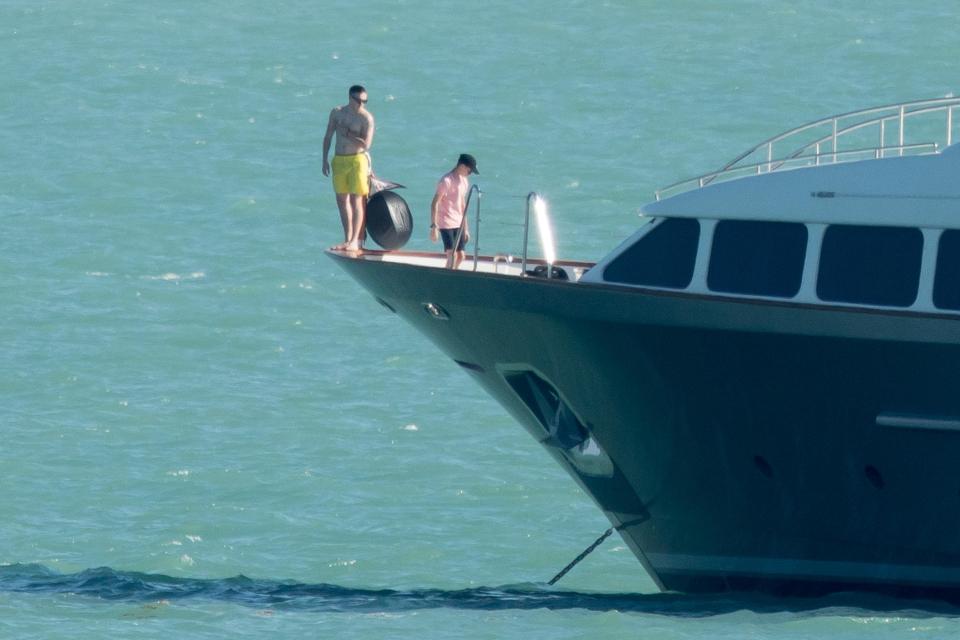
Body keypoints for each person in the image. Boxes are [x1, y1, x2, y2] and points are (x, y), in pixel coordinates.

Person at [322, 85, 375, 251]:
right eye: (358, 100)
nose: (361, 104)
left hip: (357, 160)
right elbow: (328, 135)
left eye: (364, 101)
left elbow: (366, 144)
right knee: (342, 200)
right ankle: (347, 239)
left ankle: (355, 241)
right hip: (339, 160)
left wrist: (348, 134)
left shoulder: (366, 118)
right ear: (350, 98)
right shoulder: (337, 112)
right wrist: (324, 158)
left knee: (356, 199)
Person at [430, 154, 479, 269]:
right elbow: (434, 203)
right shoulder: (446, 181)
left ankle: (451, 273)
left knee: (461, 256)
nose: (470, 173)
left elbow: (463, 206)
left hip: (459, 222)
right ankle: (447, 278)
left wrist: (466, 229)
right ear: (462, 166)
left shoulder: (464, 181)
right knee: (452, 255)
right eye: (469, 170)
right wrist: (434, 227)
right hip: (445, 222)